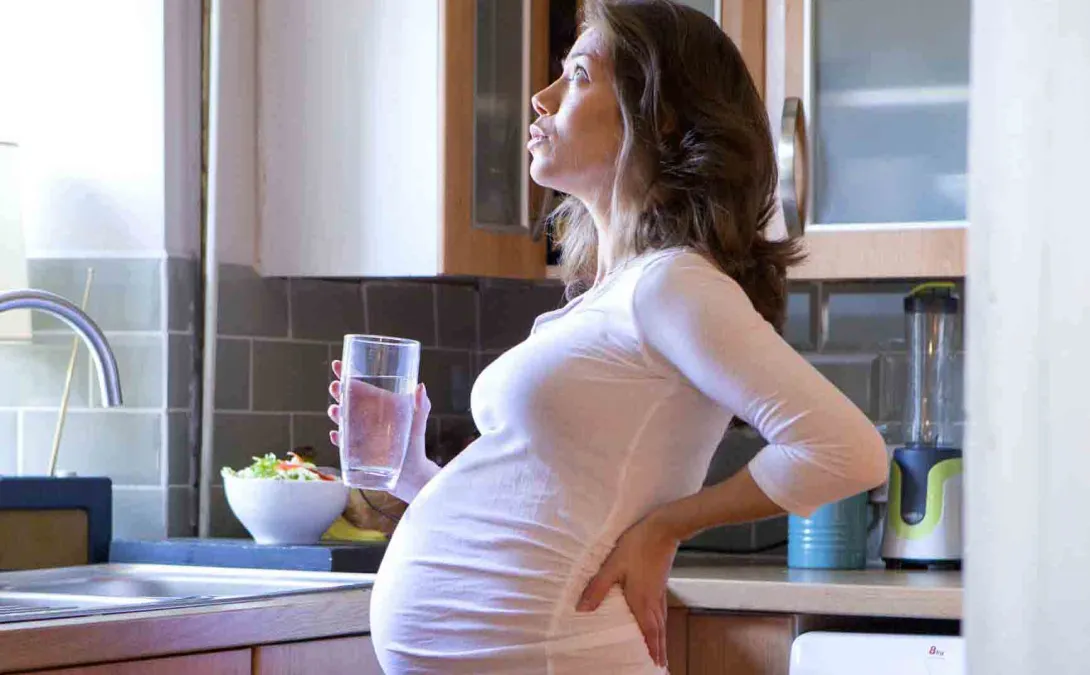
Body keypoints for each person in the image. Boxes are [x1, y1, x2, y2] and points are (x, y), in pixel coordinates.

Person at [327, 1, 888, 672]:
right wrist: (416, 474)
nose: (541, 97)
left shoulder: (672, 284)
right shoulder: (605, 298)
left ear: (660, 117)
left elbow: (849, 450)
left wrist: (668, 525)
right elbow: (549, 514)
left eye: (578, 75)